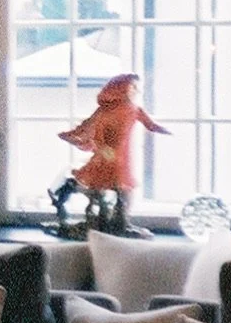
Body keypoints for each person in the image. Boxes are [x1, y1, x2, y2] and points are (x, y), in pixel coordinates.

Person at [58, 73, 168, 230]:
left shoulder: (135, 110)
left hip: (122, 156)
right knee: (105, 190)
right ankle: (105, 221)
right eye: (133, 87)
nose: (137, 91)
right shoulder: (105, 110)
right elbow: (87, 126)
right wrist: (72, 135)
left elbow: (151, 125)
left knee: (124, 190)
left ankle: (120, 222)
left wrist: (167, 130)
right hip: (107, 153)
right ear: (122, 88)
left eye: (137, 87)